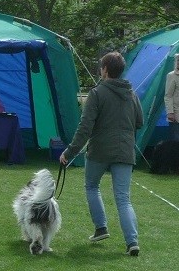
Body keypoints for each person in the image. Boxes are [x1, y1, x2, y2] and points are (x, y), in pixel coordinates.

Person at [59, 52, 143, 257]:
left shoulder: (97, 93)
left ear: (105, 70)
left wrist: (69, 152)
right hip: (124, 151)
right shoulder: (131, 93)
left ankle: (101, 228)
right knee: (123, 198)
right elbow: (139, 122)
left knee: (91, 186)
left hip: (99, 151)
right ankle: (132, 242)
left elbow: (85, 127)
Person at [164, 53, 179, 141]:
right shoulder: (171, 75)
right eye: (178, 61)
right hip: (176, 116)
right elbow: (168, 96)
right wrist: (170, 112)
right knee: (176, 144)